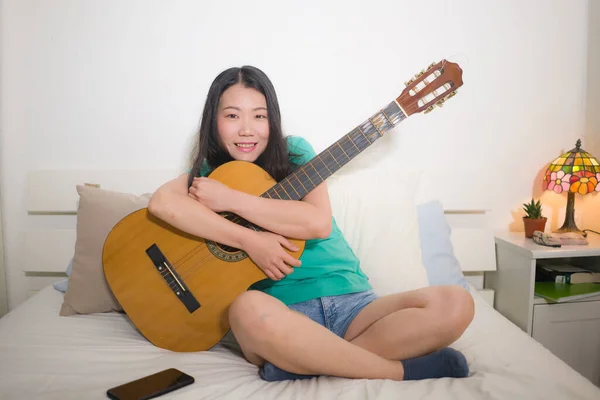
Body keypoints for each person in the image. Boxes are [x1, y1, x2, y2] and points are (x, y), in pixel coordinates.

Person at [148, 65, 475, 382]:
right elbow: (162, 203)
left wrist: (231, 201)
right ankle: (395, 371)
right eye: (232, 115)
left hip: (354, 306)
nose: (247, 129)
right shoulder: (208, 173)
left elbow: (317, 224)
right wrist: (249, 240)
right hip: (281, 316)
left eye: (259, 116)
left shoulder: (294, 153)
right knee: (246, 308)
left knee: (456, 303)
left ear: (271, 120)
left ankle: (305, 361)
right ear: (213, 121)